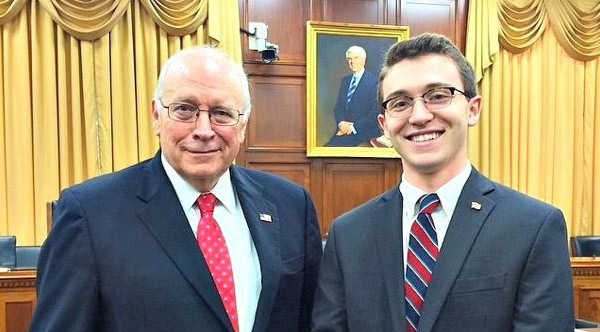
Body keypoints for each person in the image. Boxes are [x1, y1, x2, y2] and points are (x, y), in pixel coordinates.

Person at [30, 46, 322, 332]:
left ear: (243, 125)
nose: (204, 130)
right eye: (185, 110)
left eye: (221, 113)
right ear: (156, 116)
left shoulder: (291, 205)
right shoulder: (90, 214)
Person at [312, 33, 574, 332]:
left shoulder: (534, 227)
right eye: (400, 103)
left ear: (473, 109)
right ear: (384, 123)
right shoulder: (348, 235)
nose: (419, 115)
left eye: (438, 96)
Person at [325, 45, 380, 147]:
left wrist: (352, 127)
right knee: (325, 150)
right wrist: (341, 123)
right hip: (344, 131)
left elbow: (375, 113)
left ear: (363, 60)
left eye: (355, 58)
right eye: (349, 59)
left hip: (363, 132)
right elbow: (338, 107)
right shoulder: (345, 81)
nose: (352, 62)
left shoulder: (374, 82)